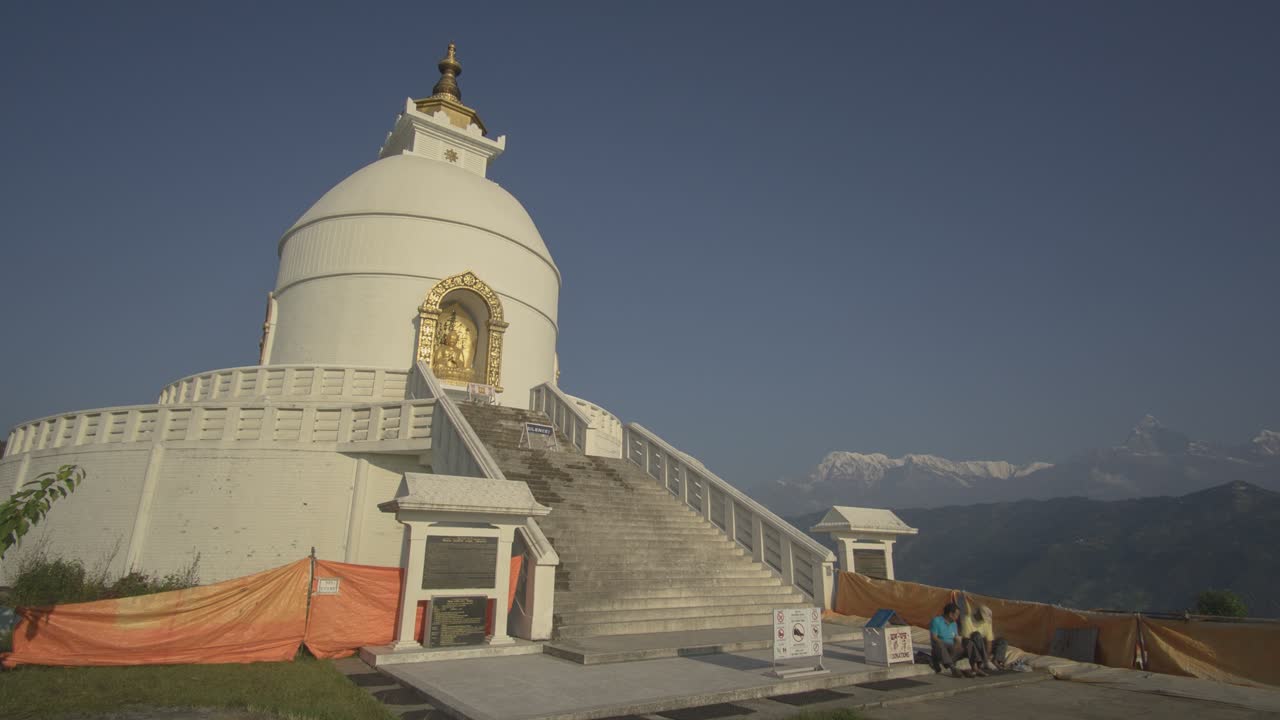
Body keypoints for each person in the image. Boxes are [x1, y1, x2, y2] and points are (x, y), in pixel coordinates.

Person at [930, 602, 983, 678]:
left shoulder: (954, 624)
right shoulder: (936, 621)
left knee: (968, 642)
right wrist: (946, 644)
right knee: (939, 643)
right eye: (956, 615)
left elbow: (956, 637)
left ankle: (975, 667)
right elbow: (934, 637)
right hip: (941, 650)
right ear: (950, 614)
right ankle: (953, 669)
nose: (957, 617)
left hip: (952, 650)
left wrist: (958, 644)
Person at [961, 603, 998, 672]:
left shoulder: (987, 622)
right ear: (978, 613)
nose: (982, 619)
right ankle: (985, 661)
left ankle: (997, 661)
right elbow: (966, 639)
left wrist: (987, 654)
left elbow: (989, 640)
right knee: (976, 635)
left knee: (1002, 641)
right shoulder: (967, 619)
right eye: (982, 617)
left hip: (982, 645)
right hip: (971, 644)